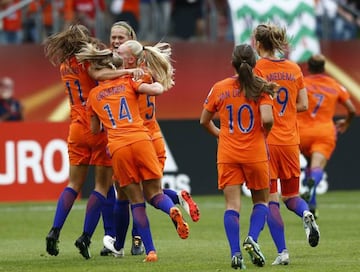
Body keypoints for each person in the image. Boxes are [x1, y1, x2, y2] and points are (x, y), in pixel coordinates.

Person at [88, 21, 200, 257]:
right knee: (154, 193)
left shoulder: (120, 83)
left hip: (124, 142)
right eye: (114, 39)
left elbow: (95, 127)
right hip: (148, 138)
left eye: (120, 42)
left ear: (129, 52)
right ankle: (176, 200)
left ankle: (134, 245)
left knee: (132, 197)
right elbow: (157, 89)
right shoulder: (141, 76)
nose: (116, 45)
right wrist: (159, 82)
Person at [43, 24, 133, 259]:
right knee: (101, 187)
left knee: (73, 185)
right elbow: (100, 73)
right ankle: (85, 237)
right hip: (98, 127)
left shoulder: (65, 66)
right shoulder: (89, 62)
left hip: (75, 129)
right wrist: (126, 71)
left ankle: (54, 231)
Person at [200, 44, 276, 269]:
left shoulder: (220, 87)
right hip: (255, 153)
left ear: (232, 63)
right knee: (261, 201)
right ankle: (252, 238)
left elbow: (204, 120)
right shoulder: (260, 87)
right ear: (254, 63)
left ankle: (235, 254)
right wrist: (264, 134)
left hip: (228, 153)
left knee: (232, 205)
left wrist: (220, 134)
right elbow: (268, 119)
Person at [253, 22, 321, 266]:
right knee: (291, 196)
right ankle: (305, 213)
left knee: (271, 199)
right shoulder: (293, 68)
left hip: (267, 142)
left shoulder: (257, 69)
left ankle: (282, 252)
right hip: (291, 141)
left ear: (258, 44)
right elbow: (303, 104)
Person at [299, 54, 356, 218]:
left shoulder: (302, 84)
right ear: (324, 68)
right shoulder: (334, 85)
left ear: (308, 68)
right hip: (324, 132)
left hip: (302, 132)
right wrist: (346, 122)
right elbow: (351, 109)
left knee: (310, 167)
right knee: (317, 168)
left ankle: (312, 207)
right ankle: (311, 188)